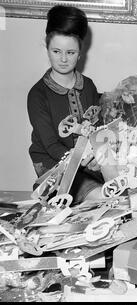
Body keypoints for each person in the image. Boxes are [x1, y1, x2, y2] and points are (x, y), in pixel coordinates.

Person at [27, 5, 103, 204]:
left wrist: (99, 153)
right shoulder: (37, 94)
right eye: (56, 51)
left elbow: (97, 129)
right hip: (54, 165)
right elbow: (51, 144)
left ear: (80, 52)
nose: (63, 59)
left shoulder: (88, 86)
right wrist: (82, 159)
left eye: (70, 52)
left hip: (87, 163)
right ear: (47, 48)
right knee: (97, 197)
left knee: (120, 188)